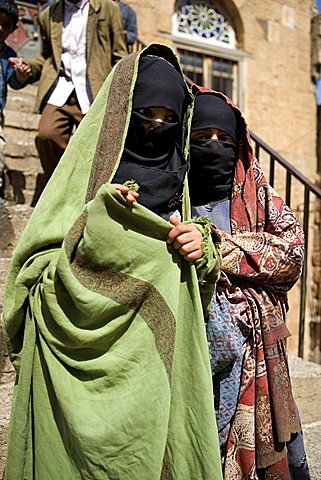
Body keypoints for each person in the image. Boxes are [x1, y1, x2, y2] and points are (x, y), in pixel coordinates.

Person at [3, 44, 223, 479]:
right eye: (147, 114)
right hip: (67, 372)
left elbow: (196, 292)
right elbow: (29, 271)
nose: (156, 127)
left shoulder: (179, 186)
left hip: (150, 379)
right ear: (123, 111)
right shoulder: (81, 176)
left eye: (169, 119)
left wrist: (201, 249)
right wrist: (95, 227)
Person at [188, 86, 310, 480]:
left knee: (288, 457)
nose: (214, 147)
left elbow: (291, 254)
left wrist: (214, 247)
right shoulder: (173, 194)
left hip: (259, 353)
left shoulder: (259, 195)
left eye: (225, 140)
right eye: (202, 138)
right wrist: (253, 259)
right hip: (195, 350)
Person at [20, 0, 127, 197]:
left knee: (97, 147)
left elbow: (120, 54)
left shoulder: (107, 9)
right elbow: (46, 57)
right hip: (61, 88)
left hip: (95, 91)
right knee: (46, 135)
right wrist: (29, 67)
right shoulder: (48, 15)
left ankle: (90, 193)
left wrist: (118, 93)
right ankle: (58, 192)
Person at [0, 0, 31, 203]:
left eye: (5, 25)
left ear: (13, 29)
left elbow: (16, 83)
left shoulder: (9, 55)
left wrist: (22, 73)